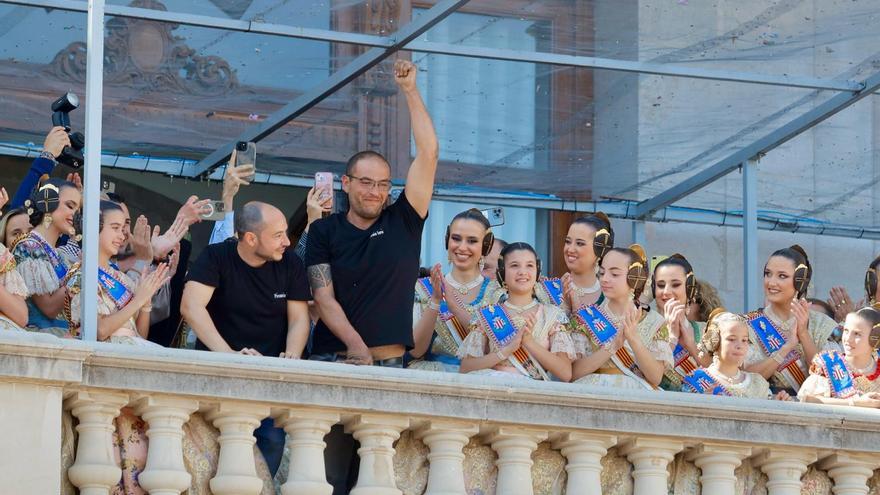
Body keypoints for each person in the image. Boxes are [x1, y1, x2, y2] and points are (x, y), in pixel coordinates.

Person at [62, 200, 275, 494]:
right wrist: (139, 299)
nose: (123, 235)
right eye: (114, 228)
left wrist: (146, 303)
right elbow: (97, 330)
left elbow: (139, 331)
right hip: (112, 383)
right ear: (92, 230)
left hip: (132, 370)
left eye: (123, 228)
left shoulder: (116, 275)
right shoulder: (80, 274)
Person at [304, 58, 438, 495]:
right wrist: (355, 347)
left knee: (377, 481)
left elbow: (430, 153)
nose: (374, 192)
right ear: (346, 183)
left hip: (389, 365)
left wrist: (410, 91)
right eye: (365, 182)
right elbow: (323, 298)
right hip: (334, 361)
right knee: (326, 477)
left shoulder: (405, 219)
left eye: (382, 184)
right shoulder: (324, 230)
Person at [181, 201, 311, 476]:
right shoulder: (217, 256)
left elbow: (300, 318)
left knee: (270, 447)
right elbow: (191, 306)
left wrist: (292, 356)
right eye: (278, 235)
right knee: (212, 456)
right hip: (219, 377)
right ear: (251, 238)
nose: (287, 241)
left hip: (270, 381)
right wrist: (228, 355)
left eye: (286, 233)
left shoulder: (290, 263)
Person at [457, 242, 575, 381]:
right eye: (514, 265)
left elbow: (565, 373)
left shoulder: (552, 315)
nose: (522, 272)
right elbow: (466, 368)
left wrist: (529, 342)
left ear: (537, 271)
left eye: (529, 265)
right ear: (502, 272)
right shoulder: (489, 314)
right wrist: (505, 351)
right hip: (494, 391)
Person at [409, 209, 502, 372]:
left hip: (481, 380)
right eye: (456, 238)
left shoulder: (498, 294)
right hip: (433, 378)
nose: (462, 247)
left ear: (486, 245)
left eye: (472, 241)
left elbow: (496, 350)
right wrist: (436, 302)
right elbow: (416, 351)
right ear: (447, 240)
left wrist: (455, 308)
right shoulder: (423, 288)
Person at [570, 245, 671, 389]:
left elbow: (655, 377)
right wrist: (612, 347)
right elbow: (574, 373)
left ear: (635, 278)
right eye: (602, 272)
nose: (605, 279)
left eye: (614, 274)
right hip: (595, 392)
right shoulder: (586, 317)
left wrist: (633, 339)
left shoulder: (654, 322)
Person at [743, 245, 837, 394]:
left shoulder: (822, 325)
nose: (771, 282)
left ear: (800, 282)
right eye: (768, 274)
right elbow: (745, 379)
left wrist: (804, 334)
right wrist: (786, 347)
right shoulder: (747, 324)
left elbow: (833, 378)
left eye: (782, 276)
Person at [11, 179, 81, 337]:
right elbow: (49, 308)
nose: (75, 215)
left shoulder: (60, 255)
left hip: (64, 338)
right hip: (41, 339)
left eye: (78, 210)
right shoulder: (28, 246)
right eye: (70, 206)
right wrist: (79, 271)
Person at [682, 310, 790, 400]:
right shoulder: (696, 380)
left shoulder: (758, 383)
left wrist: (778, 403)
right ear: (715, 342)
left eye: (744, 340)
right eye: (732, 339)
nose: (740, 346)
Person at [798, 306, 880, 407]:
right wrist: (857, 403)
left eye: (857, 334)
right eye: (846, 331)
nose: (848, 339)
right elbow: (807, 400)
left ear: (875, 338)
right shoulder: (829, 363)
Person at [652, 254, 711, 390]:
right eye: (660, 285)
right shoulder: (644, 327)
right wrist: (671, 338)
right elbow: (644, 378)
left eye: (676, 284)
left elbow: (723, 377)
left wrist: (691, 345)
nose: (666, 292)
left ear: (690, 288)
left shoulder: (707, 330)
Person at [549, 213, 614, 310]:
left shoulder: (610, 297)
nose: (570, 249)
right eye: (568, 241)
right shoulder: (546, 292)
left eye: (579, 243)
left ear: (600, 250)